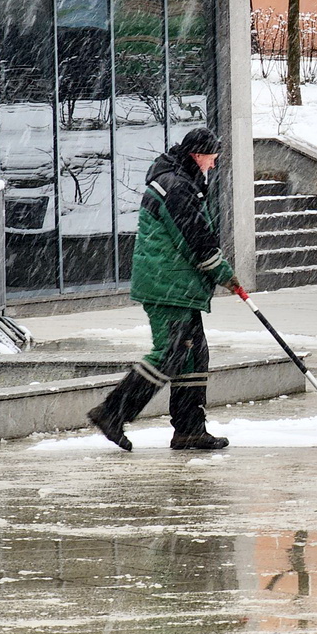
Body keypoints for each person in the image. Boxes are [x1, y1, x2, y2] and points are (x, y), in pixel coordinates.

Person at [87, 128, 240, 451]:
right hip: (168, 285)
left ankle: (189, 430)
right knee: (169, 353)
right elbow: (195, 238)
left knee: (193, 357)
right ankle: (112, 412)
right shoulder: (176, 186)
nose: (213, 165)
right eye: (212, 159)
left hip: (178, 285)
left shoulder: (181, 180)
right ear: (198, 155)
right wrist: (225, 274)